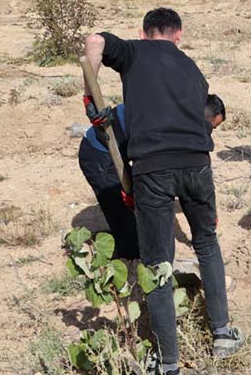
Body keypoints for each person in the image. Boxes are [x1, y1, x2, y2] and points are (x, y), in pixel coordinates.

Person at [84, 9, 242, 375]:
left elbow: (94, 42)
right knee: (206, 242)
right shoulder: (193, 68)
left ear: (144, 32)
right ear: (179, 35)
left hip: (154, 166)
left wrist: (89, 94)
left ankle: (168, 368)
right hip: (199, 164)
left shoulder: (136, 52)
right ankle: (222, 333)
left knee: (157, 262)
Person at [76, 96, 226, 262]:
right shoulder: (164, 121)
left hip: (123, 149)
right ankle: (130, 262)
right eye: (211, 126)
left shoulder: (178, 112)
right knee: (123, 219)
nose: (209, 131)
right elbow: (151, 161)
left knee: (140, 205)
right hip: (99, 154)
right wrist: (134, 189)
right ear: (202, 117)